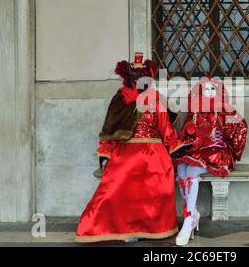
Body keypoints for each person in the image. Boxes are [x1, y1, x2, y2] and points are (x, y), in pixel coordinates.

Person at [76, 53, 185, 243]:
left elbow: (166, 128)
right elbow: (110, 128)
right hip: (126, 150)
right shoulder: (120, 99)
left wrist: (175, 147)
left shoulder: (156, 99)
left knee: (157, 180)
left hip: (154, 151)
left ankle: (147, 227)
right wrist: (105, 152)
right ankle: (117, 227)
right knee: (116, 182)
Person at [173, 77, 248, 246]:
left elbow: (242, 128)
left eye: (212, 89)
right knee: (181, 169)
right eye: (205, 89)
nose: (209, 92)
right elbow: (185, 138)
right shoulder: (195, 113)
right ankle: (192, 213)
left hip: (218, 152)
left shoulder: (225, 110)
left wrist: (231, 117)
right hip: (198, 152)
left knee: (191, 170)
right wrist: (188, 133)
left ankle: (189, 219)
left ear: (219, 91)